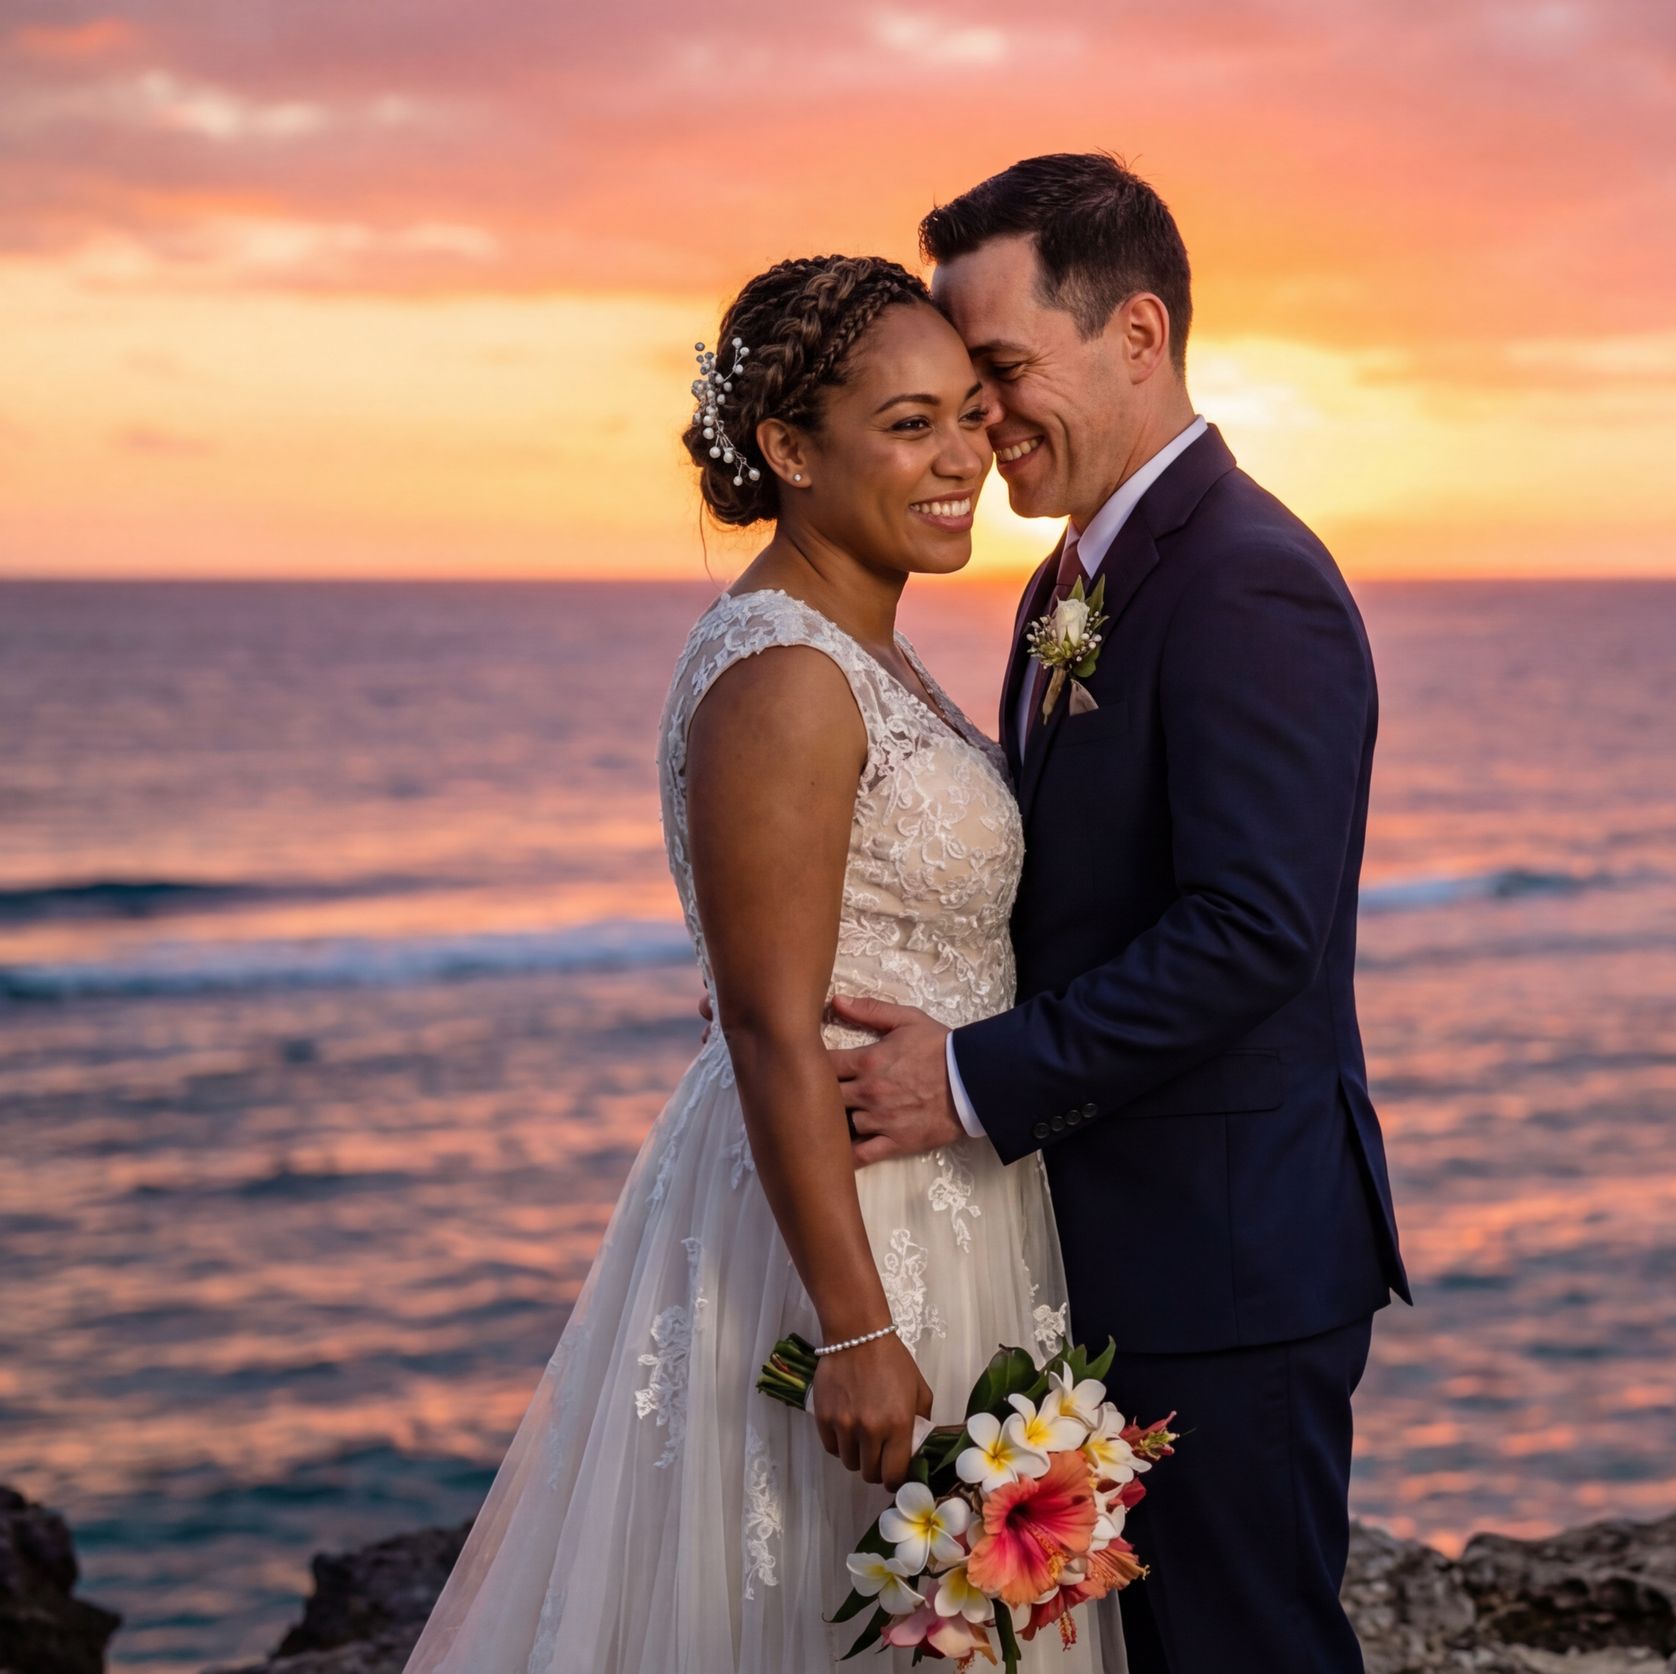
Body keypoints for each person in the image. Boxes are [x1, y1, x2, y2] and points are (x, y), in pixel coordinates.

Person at [405, 254, 1119, 1671]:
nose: (961, 457)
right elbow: (765, 1021)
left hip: (947, 1193)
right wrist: (855, 1327)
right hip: (844, 1228)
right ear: (790, 450)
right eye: (911, 424)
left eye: (971, 416)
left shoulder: (872, 650)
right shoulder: (786, 671)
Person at [823, 154, 1411, 1674]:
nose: (980, 423)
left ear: (1136, 335)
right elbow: (1069, 892)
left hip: (1228, 1263)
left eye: (1003, 372)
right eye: (958, 387)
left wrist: (961, 1078)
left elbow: (1250, 930)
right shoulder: (1065, 583)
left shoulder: (1247, 582)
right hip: (1107, 1243)